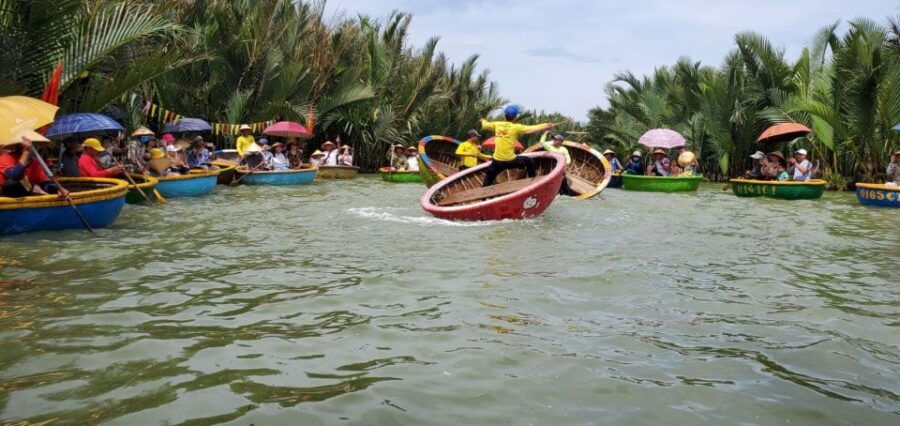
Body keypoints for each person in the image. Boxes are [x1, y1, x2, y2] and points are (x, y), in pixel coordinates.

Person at [480, 105, 554, 186]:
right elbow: (531, 128)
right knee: (529, 161)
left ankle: (484, 195)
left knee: (488, 178)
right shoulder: (516, 127)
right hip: (510, 161)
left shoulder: (497, 124)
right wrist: (546, 125)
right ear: (515, 118)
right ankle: (533, 183)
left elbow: (485, 125)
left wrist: (482, 120)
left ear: (504, 116)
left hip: (497, 162)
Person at [0, 136, 67, 198]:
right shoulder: (5, 158)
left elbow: (43, 183)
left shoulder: (34, 162)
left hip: (25, 196)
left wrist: (56, 189)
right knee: (11, 183)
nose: (32, 146)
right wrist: (26, 152)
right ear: (19, 146)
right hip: (5, 196)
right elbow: (15, 175)